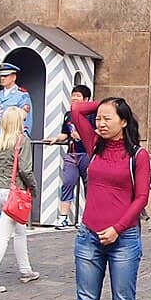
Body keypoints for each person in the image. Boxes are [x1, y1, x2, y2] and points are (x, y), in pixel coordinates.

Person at [70, 95, 151, 300]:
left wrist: (117, 228)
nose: (101, 123)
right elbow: (77, 109)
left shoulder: (137, 156)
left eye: (108, 119)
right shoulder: (94, 146)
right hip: (89, 235)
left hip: (123, 238)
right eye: (99, 119)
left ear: (124, 122)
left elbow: (141, 197)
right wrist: (104, 104)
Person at [0, 107, 40, 293]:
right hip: (13, 193)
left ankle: (26, 270)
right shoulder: (22, 141)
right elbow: (25, 170)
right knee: (2, 237)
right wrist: (33, 189)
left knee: (19, 230)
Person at [43, 84, 90, 230]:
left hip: (86, 154)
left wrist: (82, 136)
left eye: (78, 96)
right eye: (73, 95)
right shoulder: (68, 115)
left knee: (89, 186)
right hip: (71, 153)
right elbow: (65, 133)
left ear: (86, 99)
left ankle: (87, 217)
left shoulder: (92, 114)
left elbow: (96, 133)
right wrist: (56, 139)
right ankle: (63, 217)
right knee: (68, 182)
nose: (75, 98)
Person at [0, 62, 31, 145]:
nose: (2, 78)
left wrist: (23, 139)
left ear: (14, 77)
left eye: (6, 76)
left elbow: (26, 120)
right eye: (1, 76)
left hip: (12, 138)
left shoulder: (22, 95)